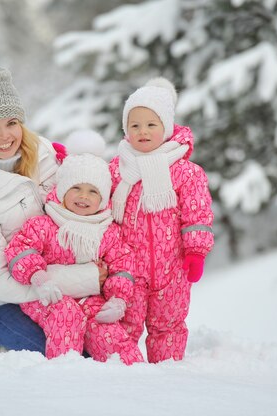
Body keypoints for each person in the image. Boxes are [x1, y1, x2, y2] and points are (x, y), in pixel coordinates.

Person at [0, 63, 103, 358]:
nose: (5, 135)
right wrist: (86, 279)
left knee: (101, 344)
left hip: (64, 292)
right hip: (4, 304)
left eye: (11, 122)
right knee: (72, 356)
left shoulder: (44, 153)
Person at [4, 130, 144, 365]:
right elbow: (20, 250)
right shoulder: (45, 224)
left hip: (89, 300)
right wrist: (37, 275)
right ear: (62, 190)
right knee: (66, 315)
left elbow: (122, 264)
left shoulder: (106, 231)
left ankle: (133, 375)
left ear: (103, 198)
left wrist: (118, 298)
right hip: (48, 297)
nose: (83, 197)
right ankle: (65, 374)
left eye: (92, 191)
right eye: (76, 188)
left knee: (105, 328)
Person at [109, 77, 215, 363]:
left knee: (168, 327)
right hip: (128, 270)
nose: (142, 131)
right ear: (126, 130)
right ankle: (122, 379)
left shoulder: (185, 172)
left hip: (173, 269)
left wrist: (196, 252)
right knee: (124, 327)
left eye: (151, 125)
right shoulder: (117, 171)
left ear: (166, 128)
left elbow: (197, 213)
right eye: (135, 125)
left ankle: (167, 382)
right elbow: (88, 196)